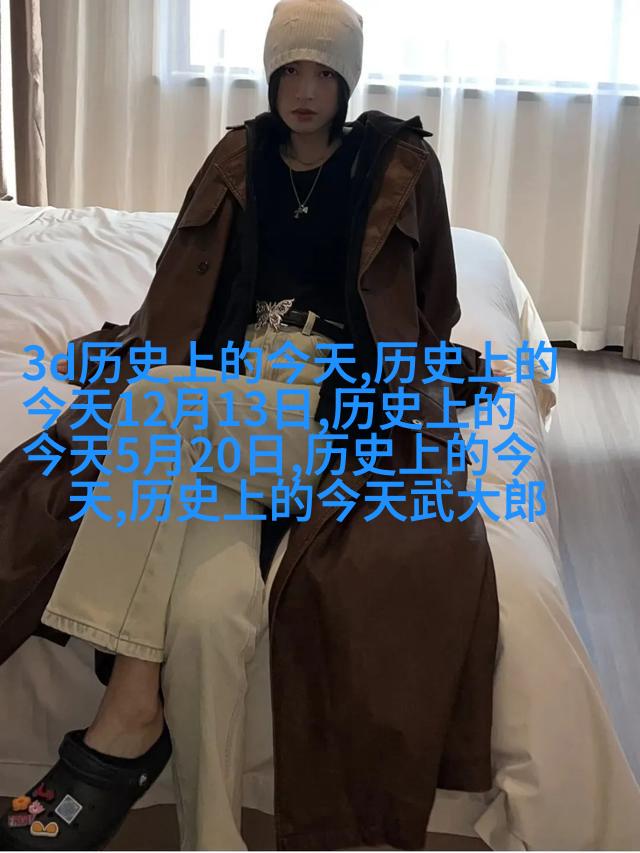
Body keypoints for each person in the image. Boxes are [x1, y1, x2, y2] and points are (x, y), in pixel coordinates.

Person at [0, 0, 501, 849]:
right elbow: (182, 287)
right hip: (229, 404)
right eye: (288, 71)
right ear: (268, 76)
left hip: (325, 405)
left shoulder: (399, 166)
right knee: (209, 614)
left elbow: (432, 308)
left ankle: (124, 714)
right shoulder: (240, 157)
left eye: (323, 73)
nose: (304, 91)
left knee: (155, 401)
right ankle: (212, 835)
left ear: (346, 81)